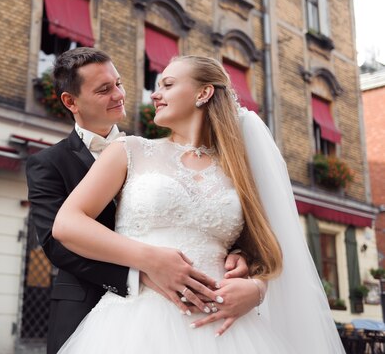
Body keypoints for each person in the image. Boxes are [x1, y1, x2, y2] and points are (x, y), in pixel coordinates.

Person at [52, 55, 345, 353]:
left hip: (227, 330)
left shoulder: (240, 169)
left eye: (167, 84)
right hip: (136, 324)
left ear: (203, 93)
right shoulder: (129, 151)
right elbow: (67, 224)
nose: (154, 94)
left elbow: (267, 250)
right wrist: (150, 259)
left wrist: (256, 290)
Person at [26, 48, 250, 354]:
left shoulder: (145, 151)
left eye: (118, 83)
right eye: (104, 89)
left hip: (199, 306)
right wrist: (141, 273)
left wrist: (235, 252)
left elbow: (194, 213)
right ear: (71, 101)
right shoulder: (49, 163)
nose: (119, 94)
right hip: (94, 307)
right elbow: (57, 242)